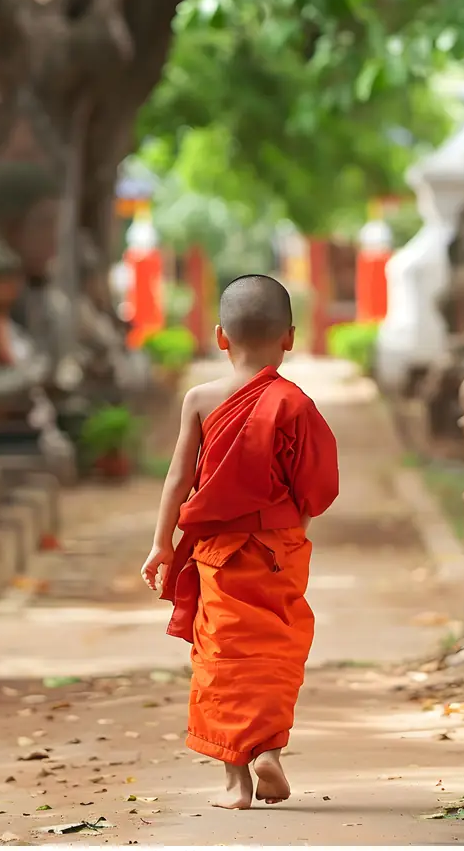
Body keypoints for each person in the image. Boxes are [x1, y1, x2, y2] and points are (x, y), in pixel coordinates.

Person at [141, 274, 339, 810]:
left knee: (223, 653)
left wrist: (162, 543)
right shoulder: (294, 403)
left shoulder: (201, 399)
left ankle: (237, 782)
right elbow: (314, 488)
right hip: (278, 548)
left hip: (220, 553)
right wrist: (289, 535)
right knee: (276, 647)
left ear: (220, 337)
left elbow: (178, 477)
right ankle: (270, 750)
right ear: (290, 338)